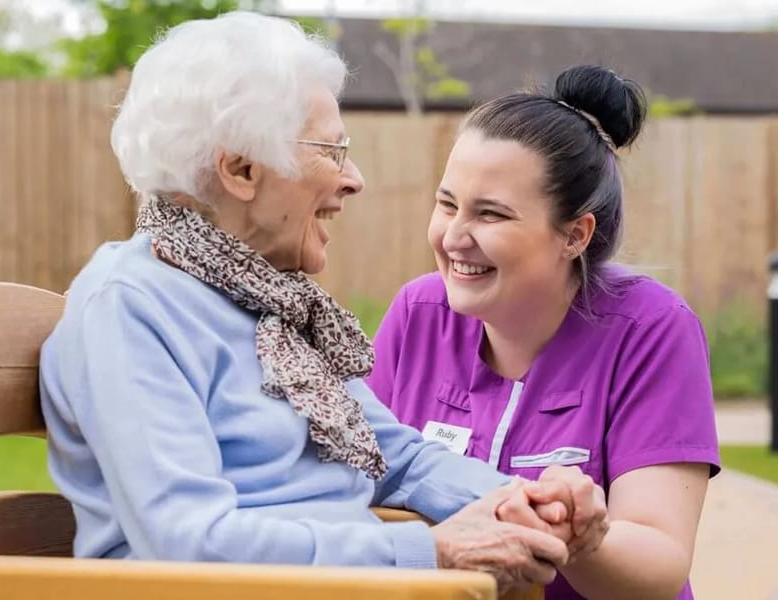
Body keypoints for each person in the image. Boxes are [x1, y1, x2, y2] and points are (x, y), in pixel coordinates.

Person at [38, 11, 609, 595]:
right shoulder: (130, 308)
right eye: (331, 152)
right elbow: (188, 540)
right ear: (240, 169)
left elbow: (397, 459)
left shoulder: (268, 303)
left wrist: (522, 499)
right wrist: (430, 551)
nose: (353, 179)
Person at [366, 65, 721, 600]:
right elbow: (352, 486)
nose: (454, 236)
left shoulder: (650, 328)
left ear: (574, 235)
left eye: (491, 214)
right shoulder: (417, 313)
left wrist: (581, 535)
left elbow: (659, 561)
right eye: (447, 204)